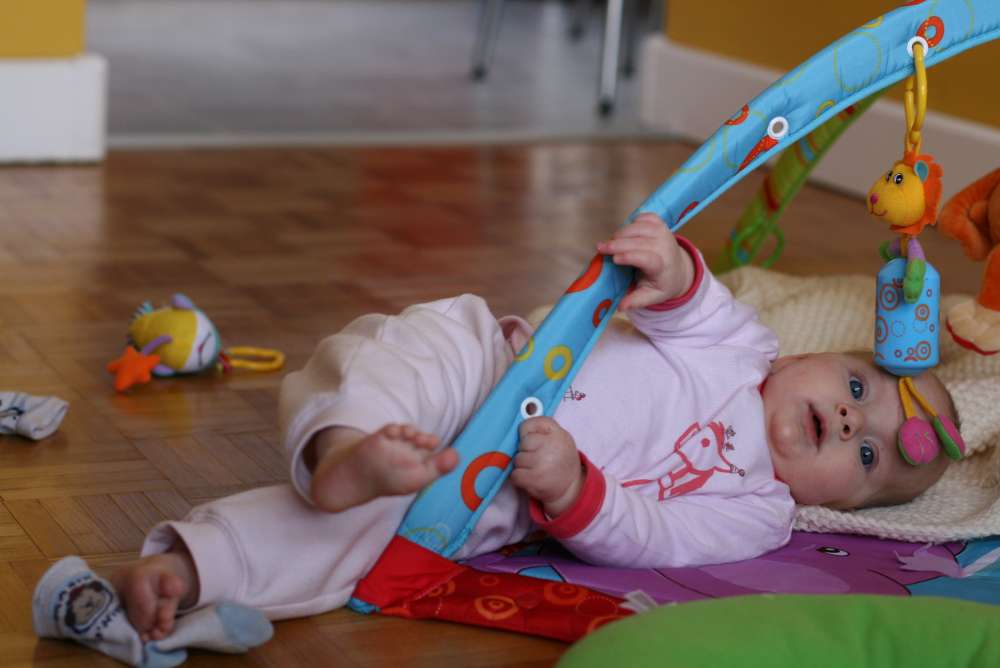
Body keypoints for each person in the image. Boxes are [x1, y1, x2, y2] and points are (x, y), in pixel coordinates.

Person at [100, 214, 957, 642]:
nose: (852, 418)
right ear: (810, 356)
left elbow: (655, 534)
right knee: (395, 358)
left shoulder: (759, 510)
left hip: (486, 490)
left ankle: (193, 567)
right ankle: (343, 450)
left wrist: (578, 491)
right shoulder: (745, 349)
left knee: (354, 543)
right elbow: (693, 304)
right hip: (495, 363)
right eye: (858, 387)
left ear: (843, 505)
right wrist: (672, 268)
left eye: (868, 454)